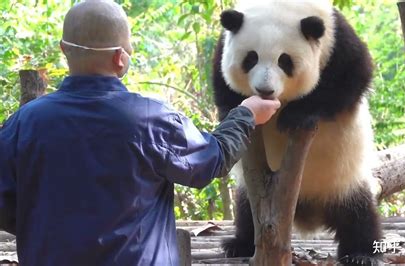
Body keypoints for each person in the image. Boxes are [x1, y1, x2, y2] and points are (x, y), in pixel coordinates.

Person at [0, 1, 280, 265]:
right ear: (120, 58)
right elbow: (212, 160)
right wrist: (247, 114)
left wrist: (45, 228)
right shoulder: (150, 119)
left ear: (64, 49)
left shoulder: (24, 123)